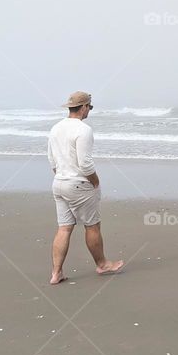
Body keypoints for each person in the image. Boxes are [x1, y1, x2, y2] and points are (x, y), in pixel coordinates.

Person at [46, 91, 124, 284]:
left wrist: (62, 176)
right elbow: (85, 163)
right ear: (83, 107)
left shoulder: (55, 128)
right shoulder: (83, 129)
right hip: (79, 184)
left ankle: (56, 273)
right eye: (89, 107)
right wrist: (95, 182)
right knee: (92, 226)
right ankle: (102, 264)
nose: (89, 110)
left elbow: (51, 160)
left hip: (59, 183)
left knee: (64, 228)